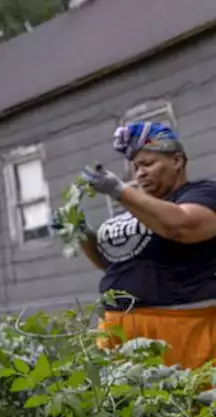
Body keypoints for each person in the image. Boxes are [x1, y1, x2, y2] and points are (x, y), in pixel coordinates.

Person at [73, 122, 216, 369]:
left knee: (185, 403)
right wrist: (81, 233)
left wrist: (119, 191)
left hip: (182, 326)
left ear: (177, 161)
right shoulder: (137, 207)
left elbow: (181, 226)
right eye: (136, 167)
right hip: (118, 328)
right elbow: (112, 262)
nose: (140, 174)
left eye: (148, 164)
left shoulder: (202, 193)